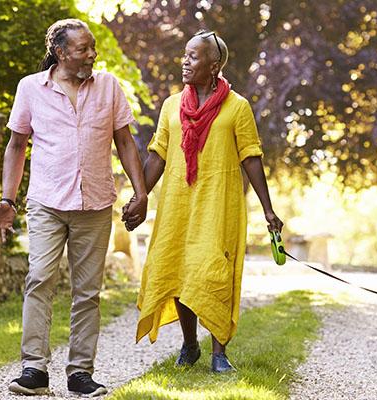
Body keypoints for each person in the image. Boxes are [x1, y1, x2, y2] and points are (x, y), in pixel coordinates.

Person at [0, 18, 147, 396]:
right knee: (40, 278)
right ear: (61, 53)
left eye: (93, 48)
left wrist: (141, 192)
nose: (92, 54)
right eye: (83, 49)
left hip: (94, 202)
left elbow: (125, 142)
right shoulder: (31, 88)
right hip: (47, 201)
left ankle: (79, 373)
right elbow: (16, 146)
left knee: (88, 291)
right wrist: (7, 199)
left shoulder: (108, 86)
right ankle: (34, 370)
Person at [122, 30, 283, 373]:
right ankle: (190, 344)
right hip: (178, 202)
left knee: (213, 271)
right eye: (185, 55)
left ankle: (219, 351)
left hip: (218, 204)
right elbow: (158, 157)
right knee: (180, 271)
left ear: (213, 65)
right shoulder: (170, 106)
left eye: (193, 57)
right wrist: (140, 196)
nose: (185, 62)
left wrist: (268, 209)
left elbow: (251, 158)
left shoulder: (237, 107)